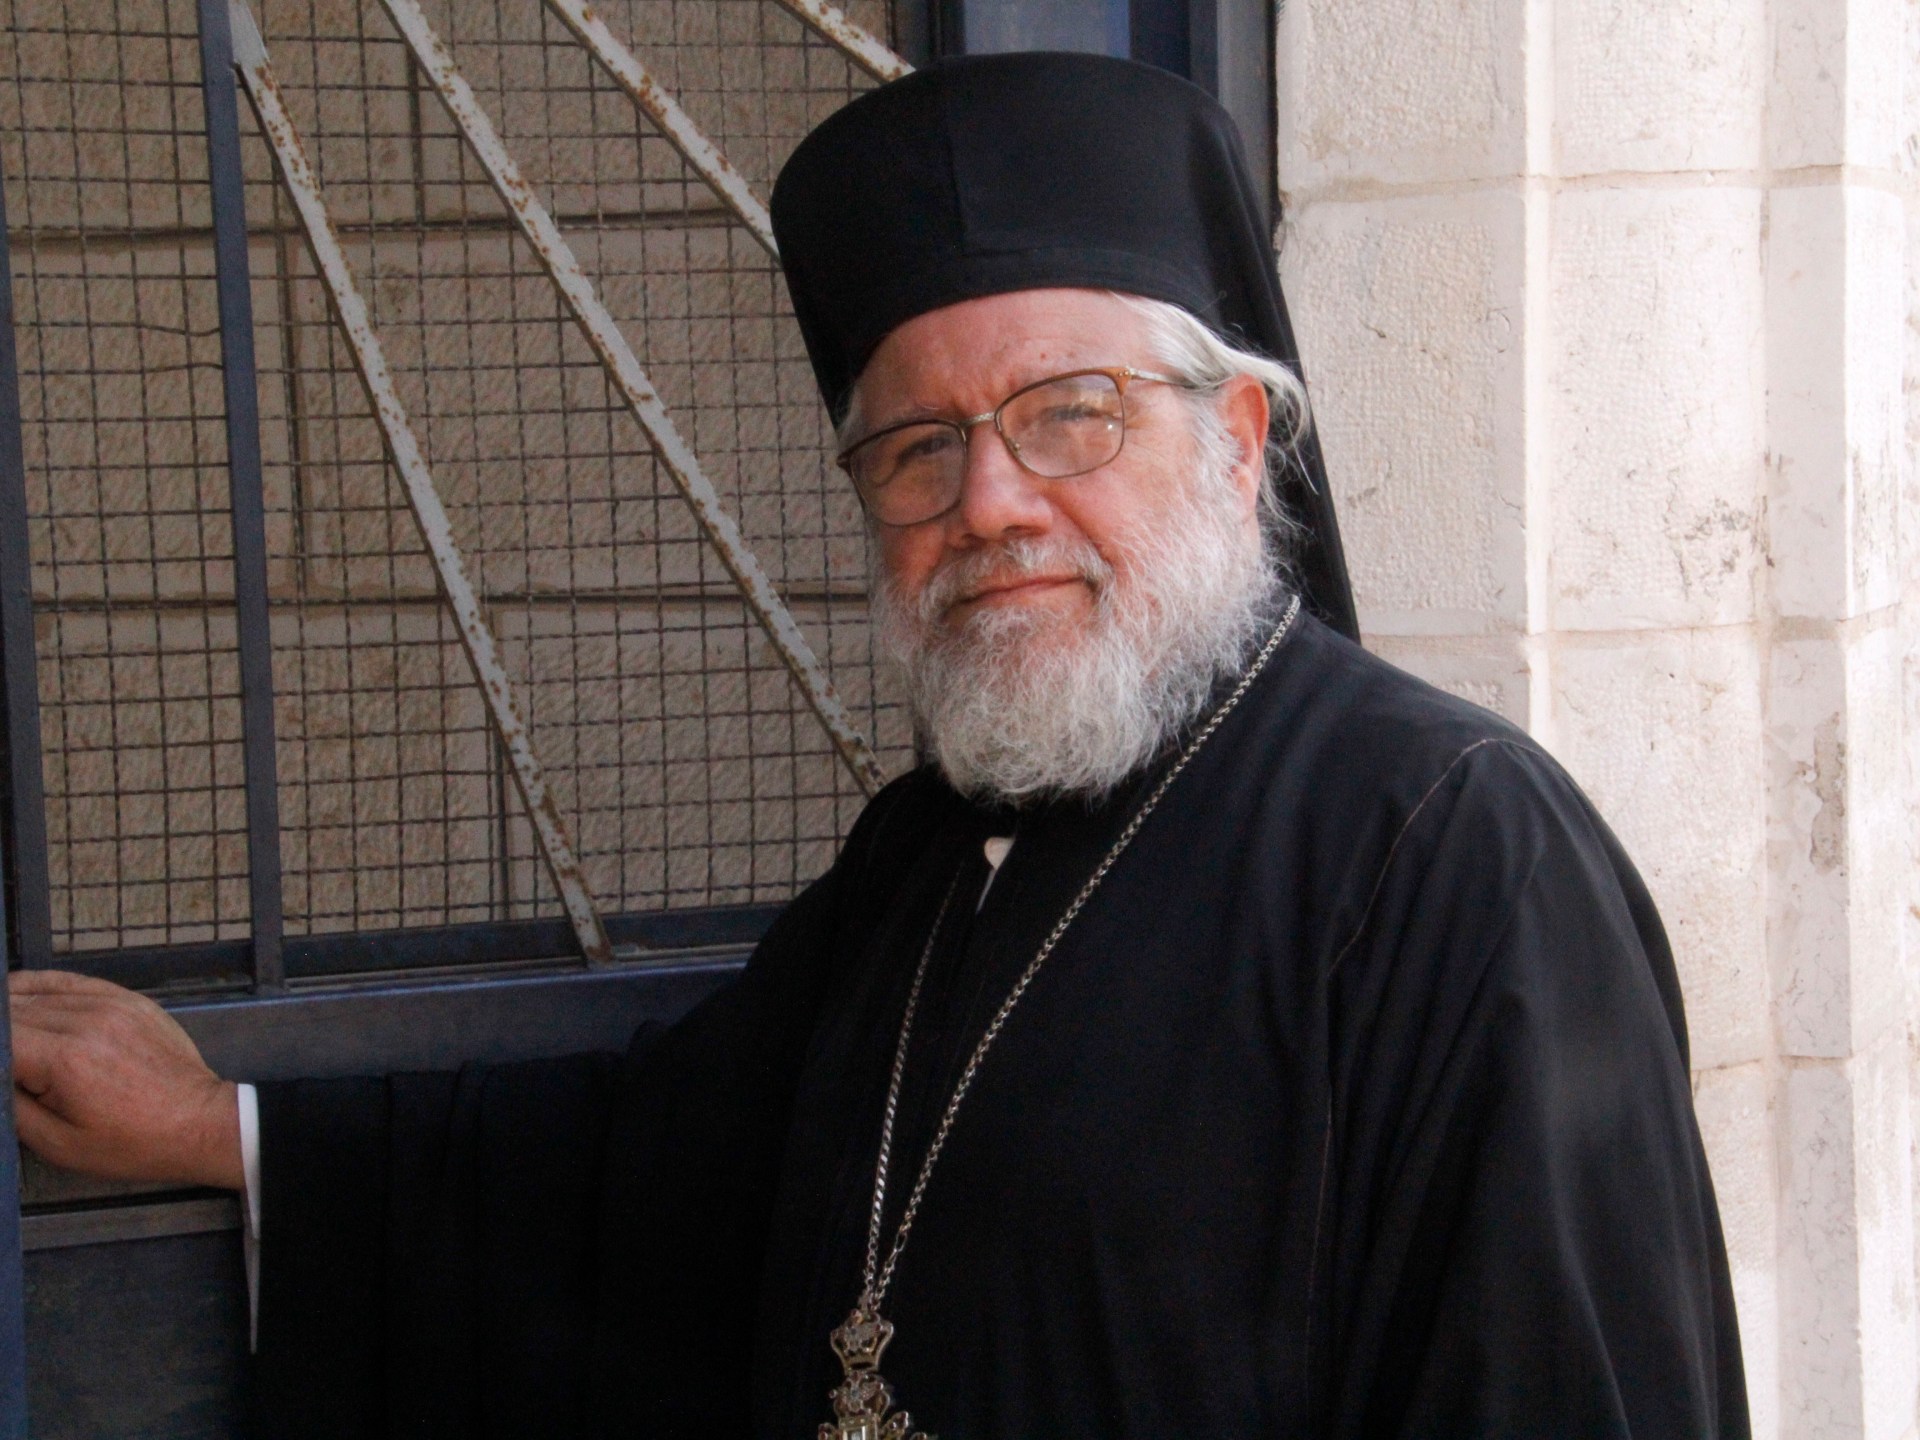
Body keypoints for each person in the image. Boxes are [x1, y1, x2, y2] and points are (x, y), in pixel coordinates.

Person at [9, 52, 1748, 1440]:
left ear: (1235, 440)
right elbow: (646, 1182)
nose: (989, 502)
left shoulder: (1457, 853)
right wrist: (226, 1128)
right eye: (917, 450)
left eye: (1071, 415)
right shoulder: (923, 856)